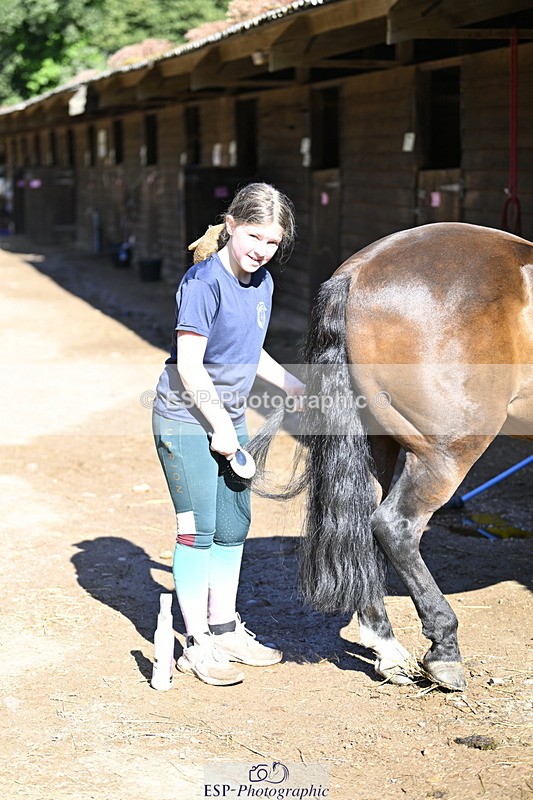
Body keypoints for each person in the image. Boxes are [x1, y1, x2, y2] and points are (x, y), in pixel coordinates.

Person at [152, 182, 305, 686]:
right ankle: (197, 642)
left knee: (234, 526)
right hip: (186, 418)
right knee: (198, 531)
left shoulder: (263, 284)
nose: (262, 250)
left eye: (273, 242)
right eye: (254, 236)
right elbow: (191, 365)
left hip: (229, 417)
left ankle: (224, 628)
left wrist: (290, 383)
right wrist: (220, 426)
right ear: (232, 225)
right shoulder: (203, 283)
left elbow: (248, 349)